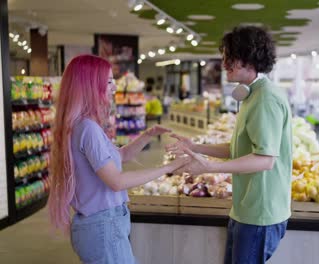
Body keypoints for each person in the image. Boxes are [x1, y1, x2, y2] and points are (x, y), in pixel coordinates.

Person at [167, 26, 292, 264]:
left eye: (229, 57)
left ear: (249, 58)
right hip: (246, 207)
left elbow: (265, 160)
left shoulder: (265, 98)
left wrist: (209, 168)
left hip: (260, 212)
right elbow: (239, 148)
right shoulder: (251, 95)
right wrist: (196, 147)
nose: (223, 63)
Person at [47, 55, 188, 264]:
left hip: (101, 224)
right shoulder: (88, 129)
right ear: (91, 85)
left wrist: (147, 135)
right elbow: (117, 181)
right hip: (103, 226)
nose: (114, 88)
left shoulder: (82, 125)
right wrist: (169, 167)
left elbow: (120, 156)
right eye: (109, 81)